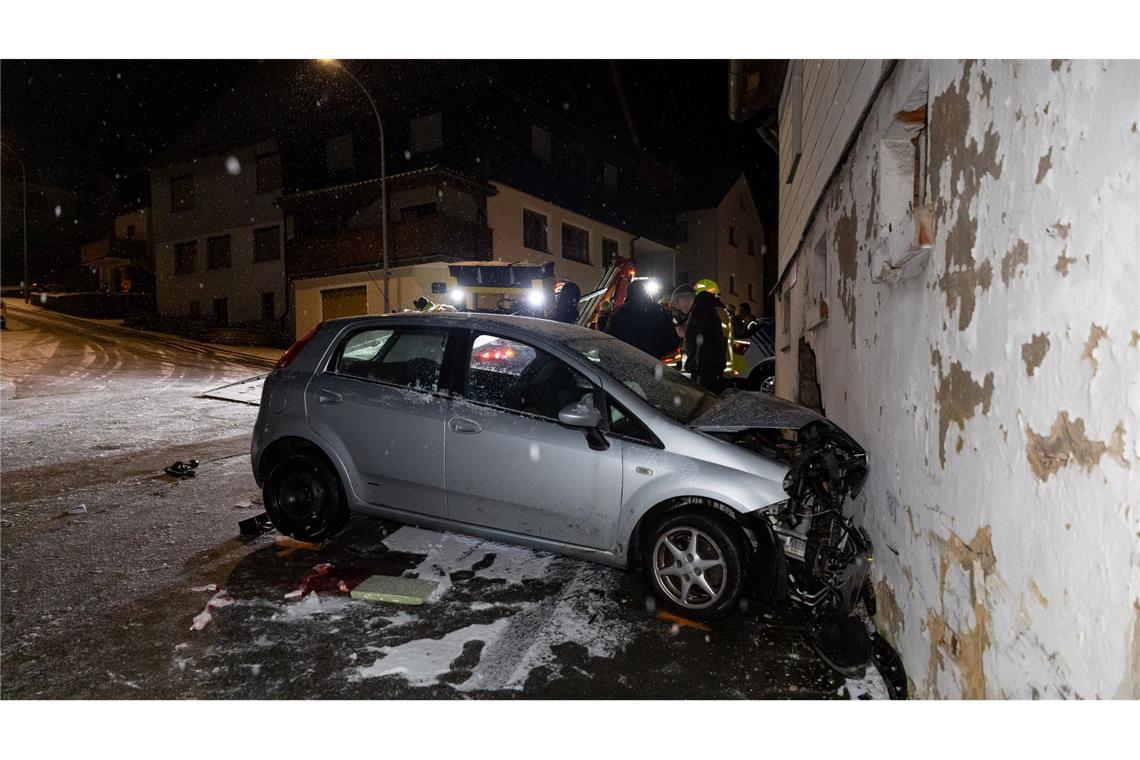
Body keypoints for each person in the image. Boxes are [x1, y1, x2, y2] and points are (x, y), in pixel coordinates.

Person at [605, 280, 680, 359]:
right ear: (645, 292)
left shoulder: (618, 313)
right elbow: (672, 341)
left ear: (627, 293)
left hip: (626, 361)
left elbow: (609, 339)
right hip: (652, 361)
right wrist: (658, 350)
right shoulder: (660, 311)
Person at [685, 279, 728, 393]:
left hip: (704, 367)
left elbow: (698, 340)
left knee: (702, 400)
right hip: (718, 365)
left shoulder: (701, 309)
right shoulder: (720, 310)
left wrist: (693, 364)